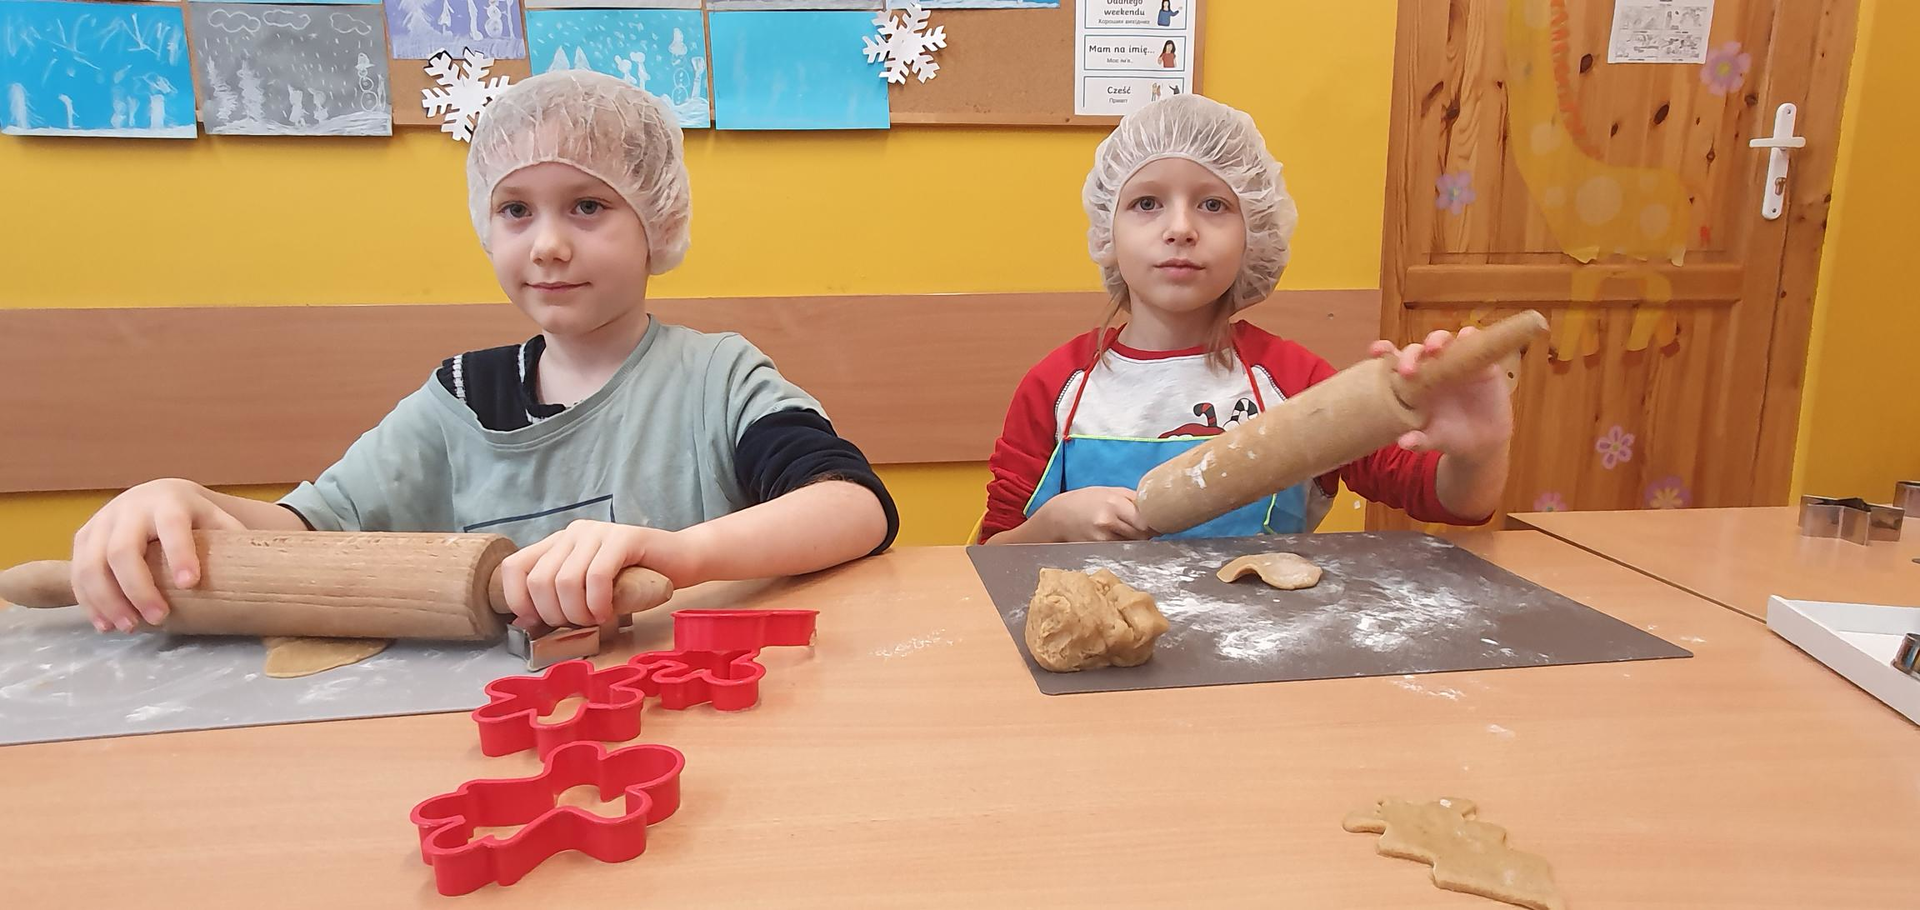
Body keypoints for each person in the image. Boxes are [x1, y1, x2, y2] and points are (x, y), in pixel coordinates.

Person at [67, 71, 898, 633]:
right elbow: (305, 534)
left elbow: (854, 508)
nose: (547, 245)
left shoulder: (714, 378)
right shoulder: (459, 399)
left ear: (658, 223)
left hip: (705, 716)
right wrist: (183, 501)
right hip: (505, 738)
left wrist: (681, 554)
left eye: (587, 206)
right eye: (515, 210)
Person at [980, 94, 1512, 544]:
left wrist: (1480, 451)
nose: (1180, 228)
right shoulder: (1058, 387)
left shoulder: (1295, 381)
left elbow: (1448, 499)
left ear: (1253, 233)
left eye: (1213, 205)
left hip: (1269, 637)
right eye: (1146, 203)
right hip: (1098, 636)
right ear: (1108, 232)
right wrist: (1052, 525)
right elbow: (990, 555)